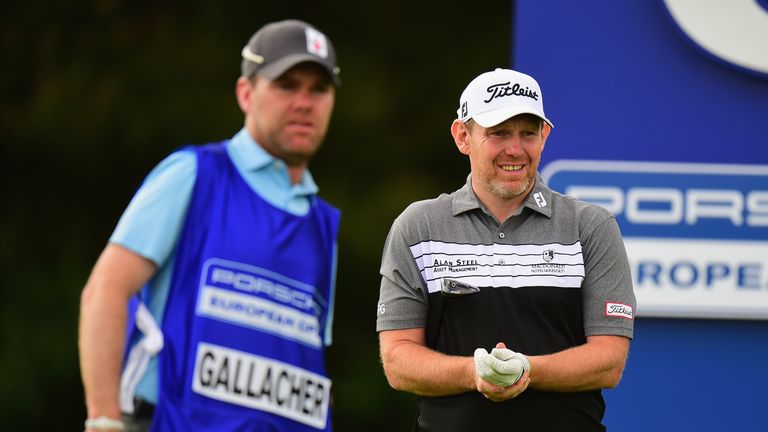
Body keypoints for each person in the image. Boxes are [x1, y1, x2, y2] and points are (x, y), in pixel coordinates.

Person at [79, 19, 342, 432]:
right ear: (245, 93)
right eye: (286, 84)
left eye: (319, 89)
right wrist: (104, 420)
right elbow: (105, 290)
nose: (304, 102)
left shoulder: (323, 223)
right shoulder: (195, 174)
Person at [376, 68, 635, 431]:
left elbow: (609, 361)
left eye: (527, 133)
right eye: (498, 133)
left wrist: (526, 369)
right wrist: (475, 374)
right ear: (462, 136)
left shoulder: (590, 226)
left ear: (544, 136)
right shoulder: (420, 226)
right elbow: (398, 361)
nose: (515, 149)